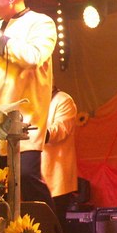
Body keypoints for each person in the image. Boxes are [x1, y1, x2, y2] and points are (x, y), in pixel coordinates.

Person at [0, 0, 56, 208]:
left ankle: (52, 231)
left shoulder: (41, 22)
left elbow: (33, 56)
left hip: (24, 120)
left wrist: (0, 39)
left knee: (27, 178)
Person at [41, 86, 79, 224]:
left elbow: (60, 130)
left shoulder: (63, 100)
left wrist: (35, 132)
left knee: (54, 226)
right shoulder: (34, 102)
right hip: (34, 178)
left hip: (56, 179)